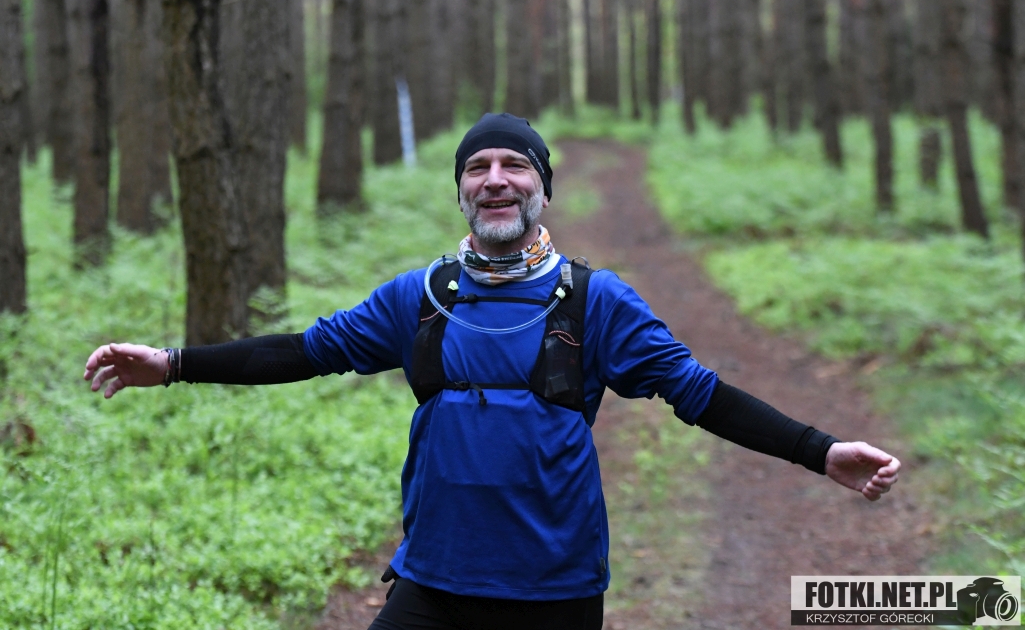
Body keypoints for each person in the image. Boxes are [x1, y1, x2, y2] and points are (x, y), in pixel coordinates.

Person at [84, 113, 900, 630]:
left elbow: (699, 395)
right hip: (434, 576)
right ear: (461, 193)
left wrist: (818, 450)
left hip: (553, 586)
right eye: (477, 167)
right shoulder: (418, 297)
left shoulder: (597, 300)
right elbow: (303, 350)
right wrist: (174, 363)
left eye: (515, 165)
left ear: (541, 188)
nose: (495, 179)